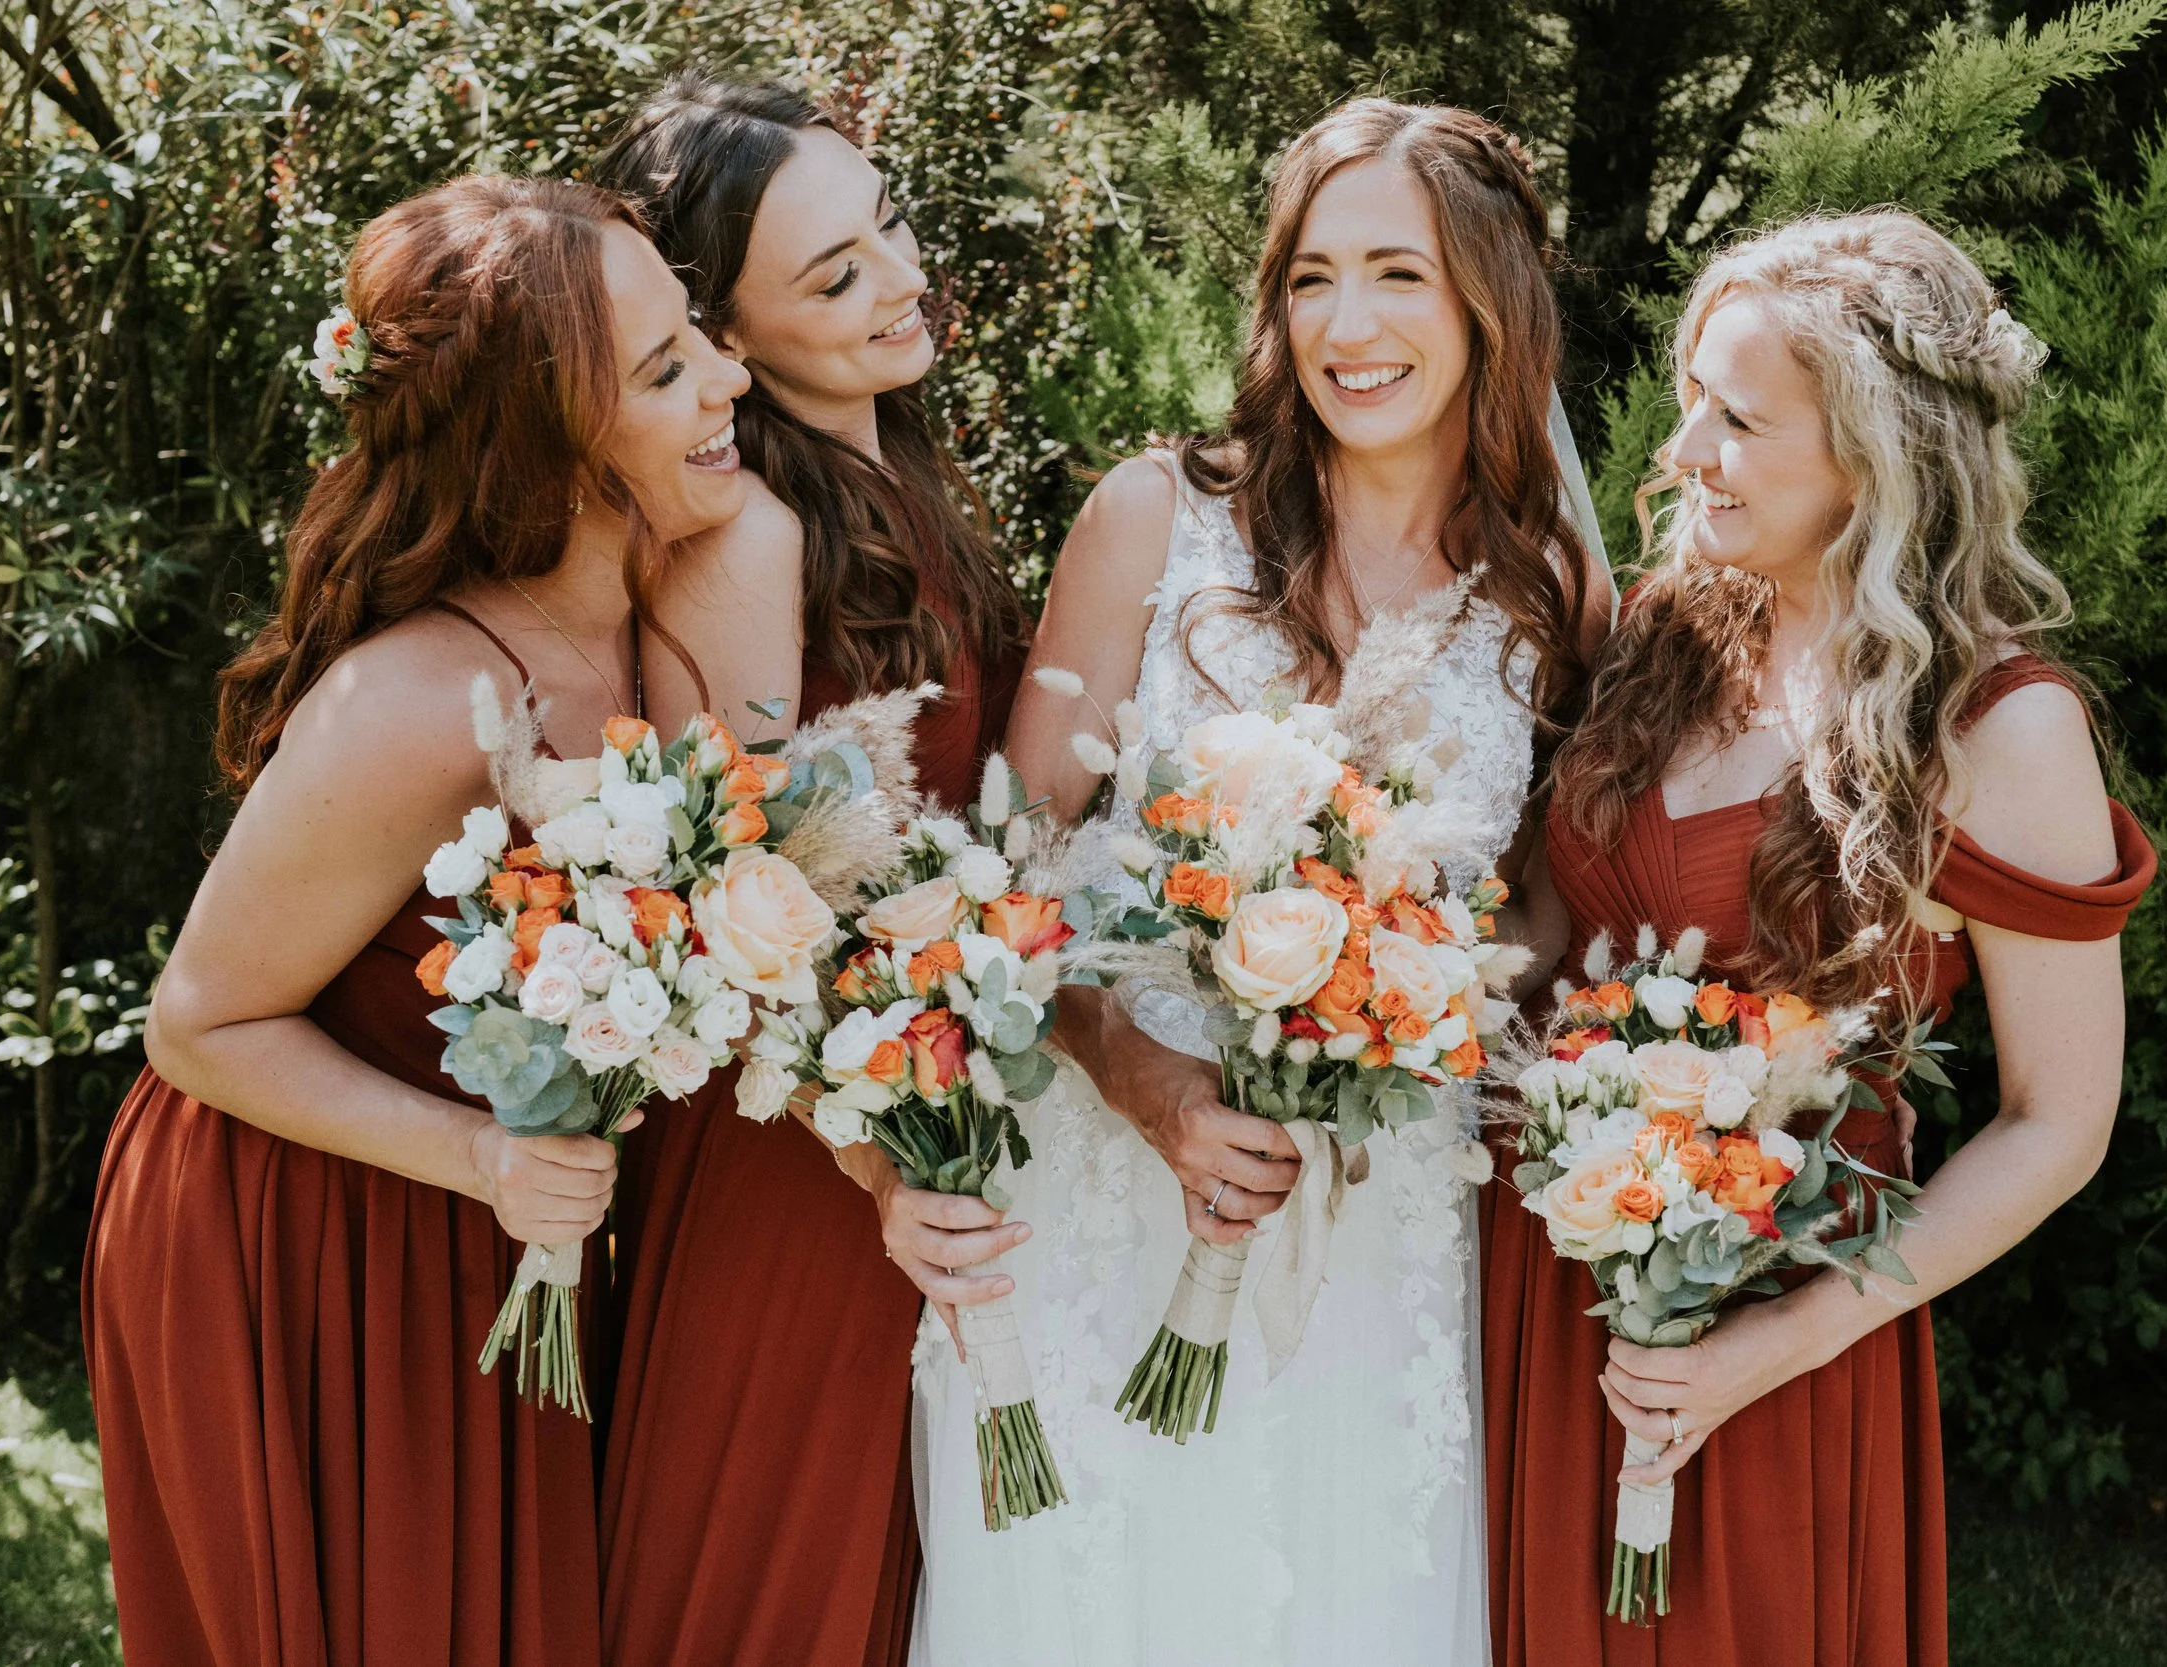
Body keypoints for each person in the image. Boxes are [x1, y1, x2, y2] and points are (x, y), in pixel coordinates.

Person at [912, 100, 1604, 1667]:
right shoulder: (1157, 522)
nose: (1346, 328)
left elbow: (1545, 907)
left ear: (1490, 296)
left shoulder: (1552, 582)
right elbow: (1004, 870)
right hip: (1107, 1189)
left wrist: (1425, 1001)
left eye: (1398, 277)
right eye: (1311, 277)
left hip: (1378, 1216)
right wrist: (1131, 1068)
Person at [82, 175, 752, 1666]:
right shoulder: (418, 701)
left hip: (498, 1212)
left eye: (694, 328)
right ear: (546, 444)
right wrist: (484, 1157)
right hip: (306, 1217)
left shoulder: (683, 590)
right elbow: (197, 1019)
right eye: (663, 371)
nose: (727, 375)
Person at [1482, 209, 2157, 1666]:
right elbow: (1555, 916)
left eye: (1737, 419)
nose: (1684, 453)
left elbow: (2063, 1121)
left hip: (1778, 1318)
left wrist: (1757, 1355)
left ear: (1874, 450)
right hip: (1542, 1279)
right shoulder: (1667, 627)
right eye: (1688, 406)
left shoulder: (2001, 722)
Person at [589, 76, 1029, 1667]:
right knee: (780, 1588)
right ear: (725, 336)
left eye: (887, 227)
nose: (900, 278)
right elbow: (739, 894)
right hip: (810, 1164)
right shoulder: (750, 533)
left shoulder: (895, 477)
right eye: (834, 278)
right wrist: (887, 1170)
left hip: (912, 1114)